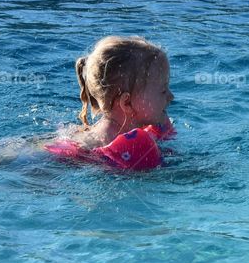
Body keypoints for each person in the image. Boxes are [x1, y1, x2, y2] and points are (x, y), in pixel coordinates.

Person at [45, 36, 175, 170]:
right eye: (163, 90)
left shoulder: (88, 136)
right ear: (127, 103)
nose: (171, 96)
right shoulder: (138, 147)